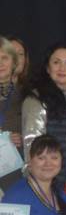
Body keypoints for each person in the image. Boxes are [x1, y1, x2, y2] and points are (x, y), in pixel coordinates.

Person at [22, 44, 66, 215]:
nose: (62, 68)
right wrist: (36, 185)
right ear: (47, 67)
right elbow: (31, 146)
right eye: (56, 62)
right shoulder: (35, 99)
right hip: (49, 180)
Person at [0, 37, 25, 189]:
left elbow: (37, 135)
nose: (0, 63)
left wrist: (22, 137)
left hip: (13, 175)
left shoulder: (26, 96)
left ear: (14, 62)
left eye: (5, 58)